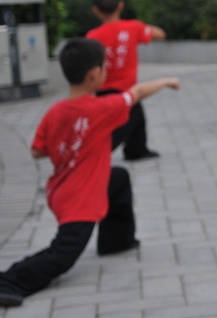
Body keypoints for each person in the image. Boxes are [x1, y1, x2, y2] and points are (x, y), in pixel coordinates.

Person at [0, 38, 179, 308]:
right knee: (62, 256)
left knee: (118, 178)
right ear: (95, 74)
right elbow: (138, 92)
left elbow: (37, 151)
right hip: (80, 200)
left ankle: (117, 241)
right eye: (104, 67)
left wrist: (70, 146)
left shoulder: (55, 110)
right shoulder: (102, 109)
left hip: (61, 188)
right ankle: (9, 280)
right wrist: (166, 81)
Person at [87, 0, 166, 160]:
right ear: (120, 6)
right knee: (126, 121)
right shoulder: (133, 28)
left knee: (135, 115)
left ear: (96, 11)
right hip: (127, 90)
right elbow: (160, 34)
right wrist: (142, 27)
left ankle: (136, 149)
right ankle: (97, 153)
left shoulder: (92, 36)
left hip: (102, 90)